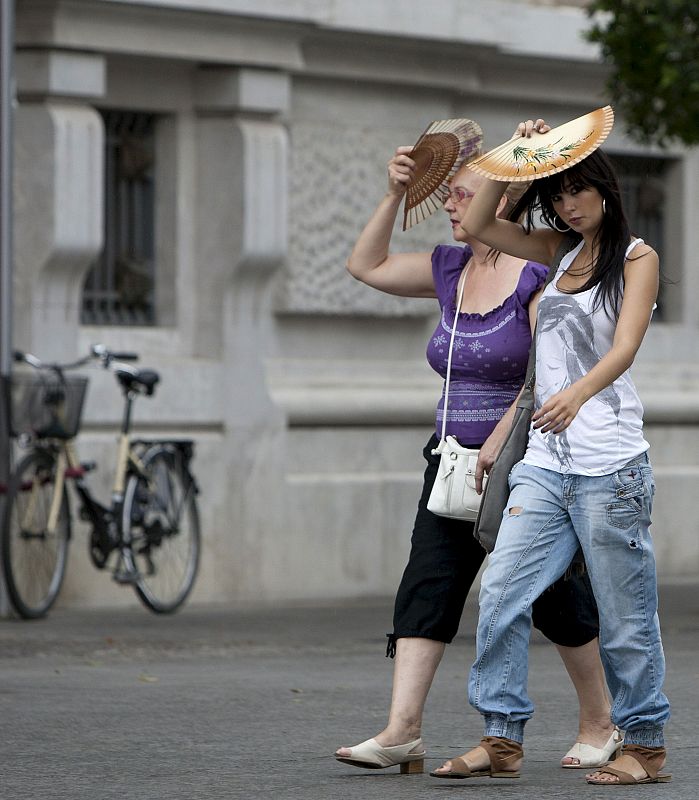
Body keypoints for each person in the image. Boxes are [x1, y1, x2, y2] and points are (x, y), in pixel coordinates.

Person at [334, 140, 620, 776]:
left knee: (549, 595)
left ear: (504, 197)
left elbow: (549, 372)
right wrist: (391, 193)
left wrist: (500, 439)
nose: (448, 205)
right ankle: (403, 731)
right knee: (428, 583)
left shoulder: (538, 270)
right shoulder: (448, 268)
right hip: (450, 460)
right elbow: (366, 265)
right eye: (448, 194)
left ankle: (602, 722)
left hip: (525, 460)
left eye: (463, 193)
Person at [432, 118, 671, 786]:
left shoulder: (636, 258)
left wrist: (578, 395)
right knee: (503, 591)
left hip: (610, 467)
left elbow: (623, 346)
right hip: (543, 463)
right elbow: (480, 221)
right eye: (557, 194)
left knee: (624, 617)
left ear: (604, 190)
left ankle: (645, 746)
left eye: (577, 191)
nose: (567, 204)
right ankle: (501, 737)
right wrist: (517, 156)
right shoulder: (553, 251)